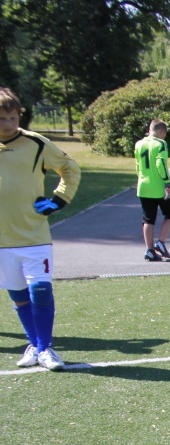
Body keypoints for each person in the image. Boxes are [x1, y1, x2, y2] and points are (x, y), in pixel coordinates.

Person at [0, 87, 80, 371]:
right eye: (1, 118)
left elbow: (70, 168)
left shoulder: (36, 143)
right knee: (19, 296)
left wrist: (58, 201)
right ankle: (34, 345)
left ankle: (46, 349)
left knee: (41, 291)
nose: (8, 124)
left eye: (12, 117)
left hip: (34, 236)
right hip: (2, 242)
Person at [134, 120, 170, 262]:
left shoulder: (139, 144)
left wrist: (141, 178)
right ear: (162, 132)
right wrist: (167, 182)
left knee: (148, 219)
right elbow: (160, 163)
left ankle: (149, 250)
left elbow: (138, 165)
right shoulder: (160, 144)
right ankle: (161, 242)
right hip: (158, 186)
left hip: (143, 185)